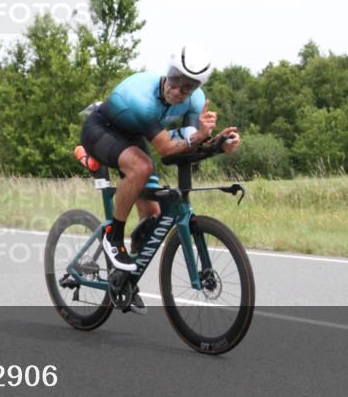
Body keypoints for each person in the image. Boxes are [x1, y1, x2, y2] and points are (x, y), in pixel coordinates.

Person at [80, 45, 241, 272]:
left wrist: (220, 142)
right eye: (175, 79)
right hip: (101, 130)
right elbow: (166, 149)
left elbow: (190, 141)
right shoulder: (143, 97)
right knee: (141, 167)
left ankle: (125, 279)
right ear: (168, 71)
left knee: (152, 217)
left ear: (197, 88)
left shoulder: (195, 101)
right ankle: (113, 236)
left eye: (188, 87)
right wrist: (200, 138)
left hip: (134, 136)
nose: (177, 90)